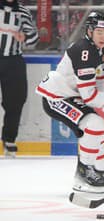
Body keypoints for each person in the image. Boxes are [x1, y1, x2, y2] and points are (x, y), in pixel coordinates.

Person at [36, 11, 104, 194]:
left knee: (97, 127)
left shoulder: (103, 52)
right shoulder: (84, 51)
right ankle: (82, 173)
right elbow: (90, 96)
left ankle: (100, 170)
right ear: (89, 31)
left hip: (74, 96)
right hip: (56, 97)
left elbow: (99, 86)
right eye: (99, 32)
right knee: (95, 123)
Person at [0, 0, 39, 157]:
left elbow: (34, 38)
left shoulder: (23, 11)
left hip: (13, 60)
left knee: (16, 100)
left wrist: (25, 37)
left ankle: (9, 139)